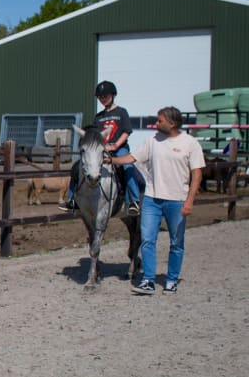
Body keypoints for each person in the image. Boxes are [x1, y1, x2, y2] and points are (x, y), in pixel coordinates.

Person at [111, 106, 204, 295]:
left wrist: (190, 201)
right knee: (147, 240)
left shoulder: (190, 143)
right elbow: (132, 157)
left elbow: (197, 174)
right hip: (152, 199)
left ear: (173, 123)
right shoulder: (152, 141)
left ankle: (171, 280)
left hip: (177, 200)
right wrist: (109, 160)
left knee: (176, 242)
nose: (156, 123)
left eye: (160, 120)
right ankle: (148, 280)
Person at [60, 81, 142, 215]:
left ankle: (133, 201)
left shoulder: (121, 112)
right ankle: (72, 199)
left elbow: (126, 131)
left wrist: (115, 145)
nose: (103, 99)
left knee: (128, 167)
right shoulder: (98, 117)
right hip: (101, 150)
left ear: (113, 95)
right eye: (100, 97)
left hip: (119, 149)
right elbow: (94, 137)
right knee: (77, 167)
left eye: (105, 96)